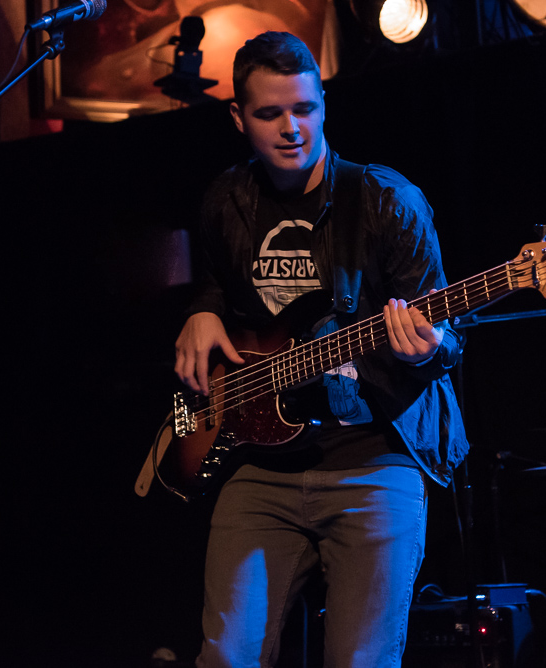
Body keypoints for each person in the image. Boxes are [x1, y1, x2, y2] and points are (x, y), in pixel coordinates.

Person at [173, 31, 468, 667]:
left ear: (324, 104)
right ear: (237, 117)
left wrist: (423, 350)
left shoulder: (387, 200)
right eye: (269, 113)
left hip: (374, 464)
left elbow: (447, 342)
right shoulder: (226, 200)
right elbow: (219, 287)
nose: (291, 128)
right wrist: (200, 311)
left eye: (304, 109)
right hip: (256, 466)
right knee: (224, 656)